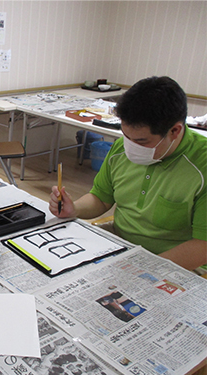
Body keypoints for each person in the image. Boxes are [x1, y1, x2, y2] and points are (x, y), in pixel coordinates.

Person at [50, 76, 207, 271]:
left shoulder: (202, 166)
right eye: (126, 136)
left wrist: (143, 270)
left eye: (142, 142)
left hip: (178, 262)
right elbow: (101, 198)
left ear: (175, 130)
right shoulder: (120, 149)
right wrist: (75, 209)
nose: (131, 147)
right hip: (121, 242)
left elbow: (202, 246)